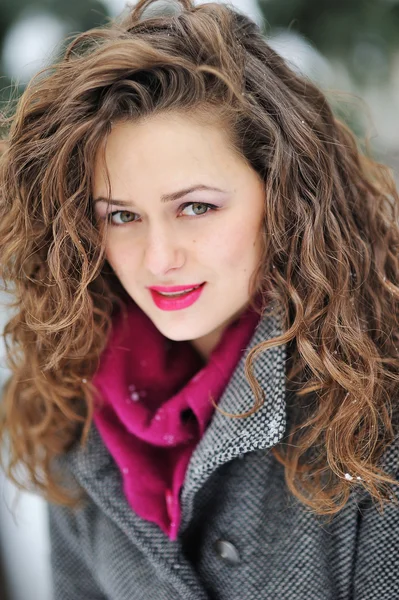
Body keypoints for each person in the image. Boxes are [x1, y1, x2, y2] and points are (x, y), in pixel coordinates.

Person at [1, 0, 399, 598]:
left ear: (286, 194)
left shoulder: (375, 414)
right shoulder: (76, 403)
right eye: (122, 216)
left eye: (196, 207)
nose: (158, 258)